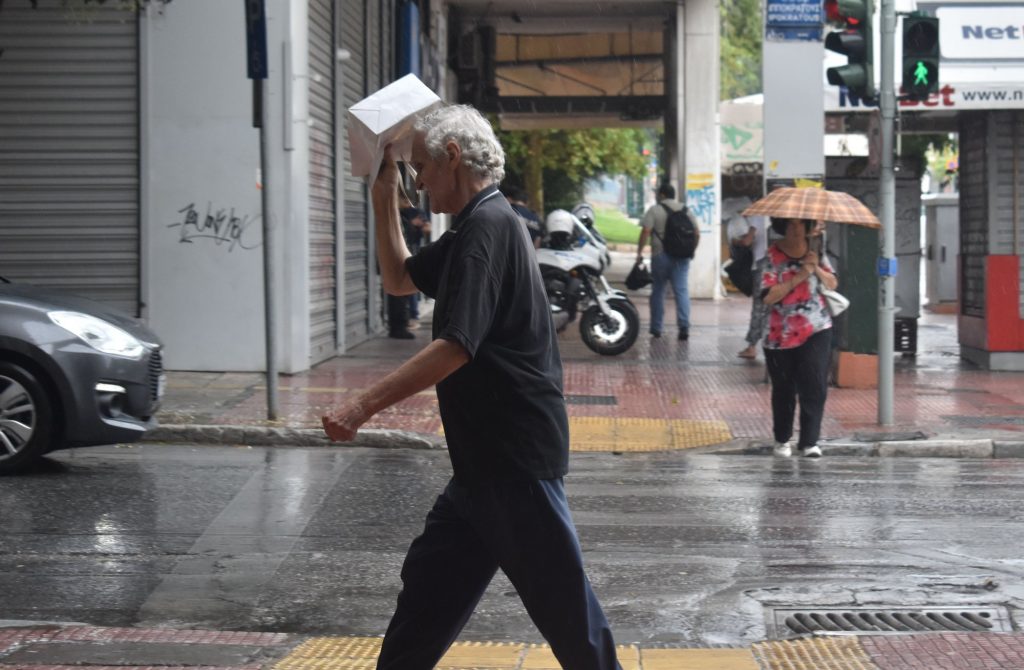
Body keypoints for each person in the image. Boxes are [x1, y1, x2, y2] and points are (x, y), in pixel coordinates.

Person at [322, 103, 622, 670]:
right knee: (427, 600)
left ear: (452, 158)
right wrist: (382, 193)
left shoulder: (488, 227)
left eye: (420, 170)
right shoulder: (474, 228)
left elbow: (457, 346)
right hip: (482, 465)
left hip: (513, 462)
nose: (421, 184)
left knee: (568, 617)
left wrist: (362, 404)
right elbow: (398, 277)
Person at [759, 216, 838, 458]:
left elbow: (833, 283)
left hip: (816, 327)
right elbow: (768, 296)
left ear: (808, 228)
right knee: (783, 388)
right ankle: (782, 439)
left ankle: (809, 441)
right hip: (779, 332)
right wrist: (800, 275)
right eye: (790, 225)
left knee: (814, 382)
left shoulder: (816, 253)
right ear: (782, 227)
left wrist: (816, 269)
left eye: (800, 224)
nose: (796, 230)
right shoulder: (772, 257)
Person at [635, 182, 699, 340]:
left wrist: (640, 251)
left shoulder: (655, 210)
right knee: (681, 291)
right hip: (682, 258)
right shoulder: (685, 210)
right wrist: (691, 250)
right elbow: (697, 233)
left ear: (662, 194)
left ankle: (656, 328)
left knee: (658, 290)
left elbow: (646, 231)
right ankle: (684, 327)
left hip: (660, 256)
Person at [399, 193, 430, 328]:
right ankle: (405, 317)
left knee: (411, 283)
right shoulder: (398, 213)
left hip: (412, 251)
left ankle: (413, 316)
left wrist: (419, 225)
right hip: (401, 251)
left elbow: (428, 228)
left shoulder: (416, 212)